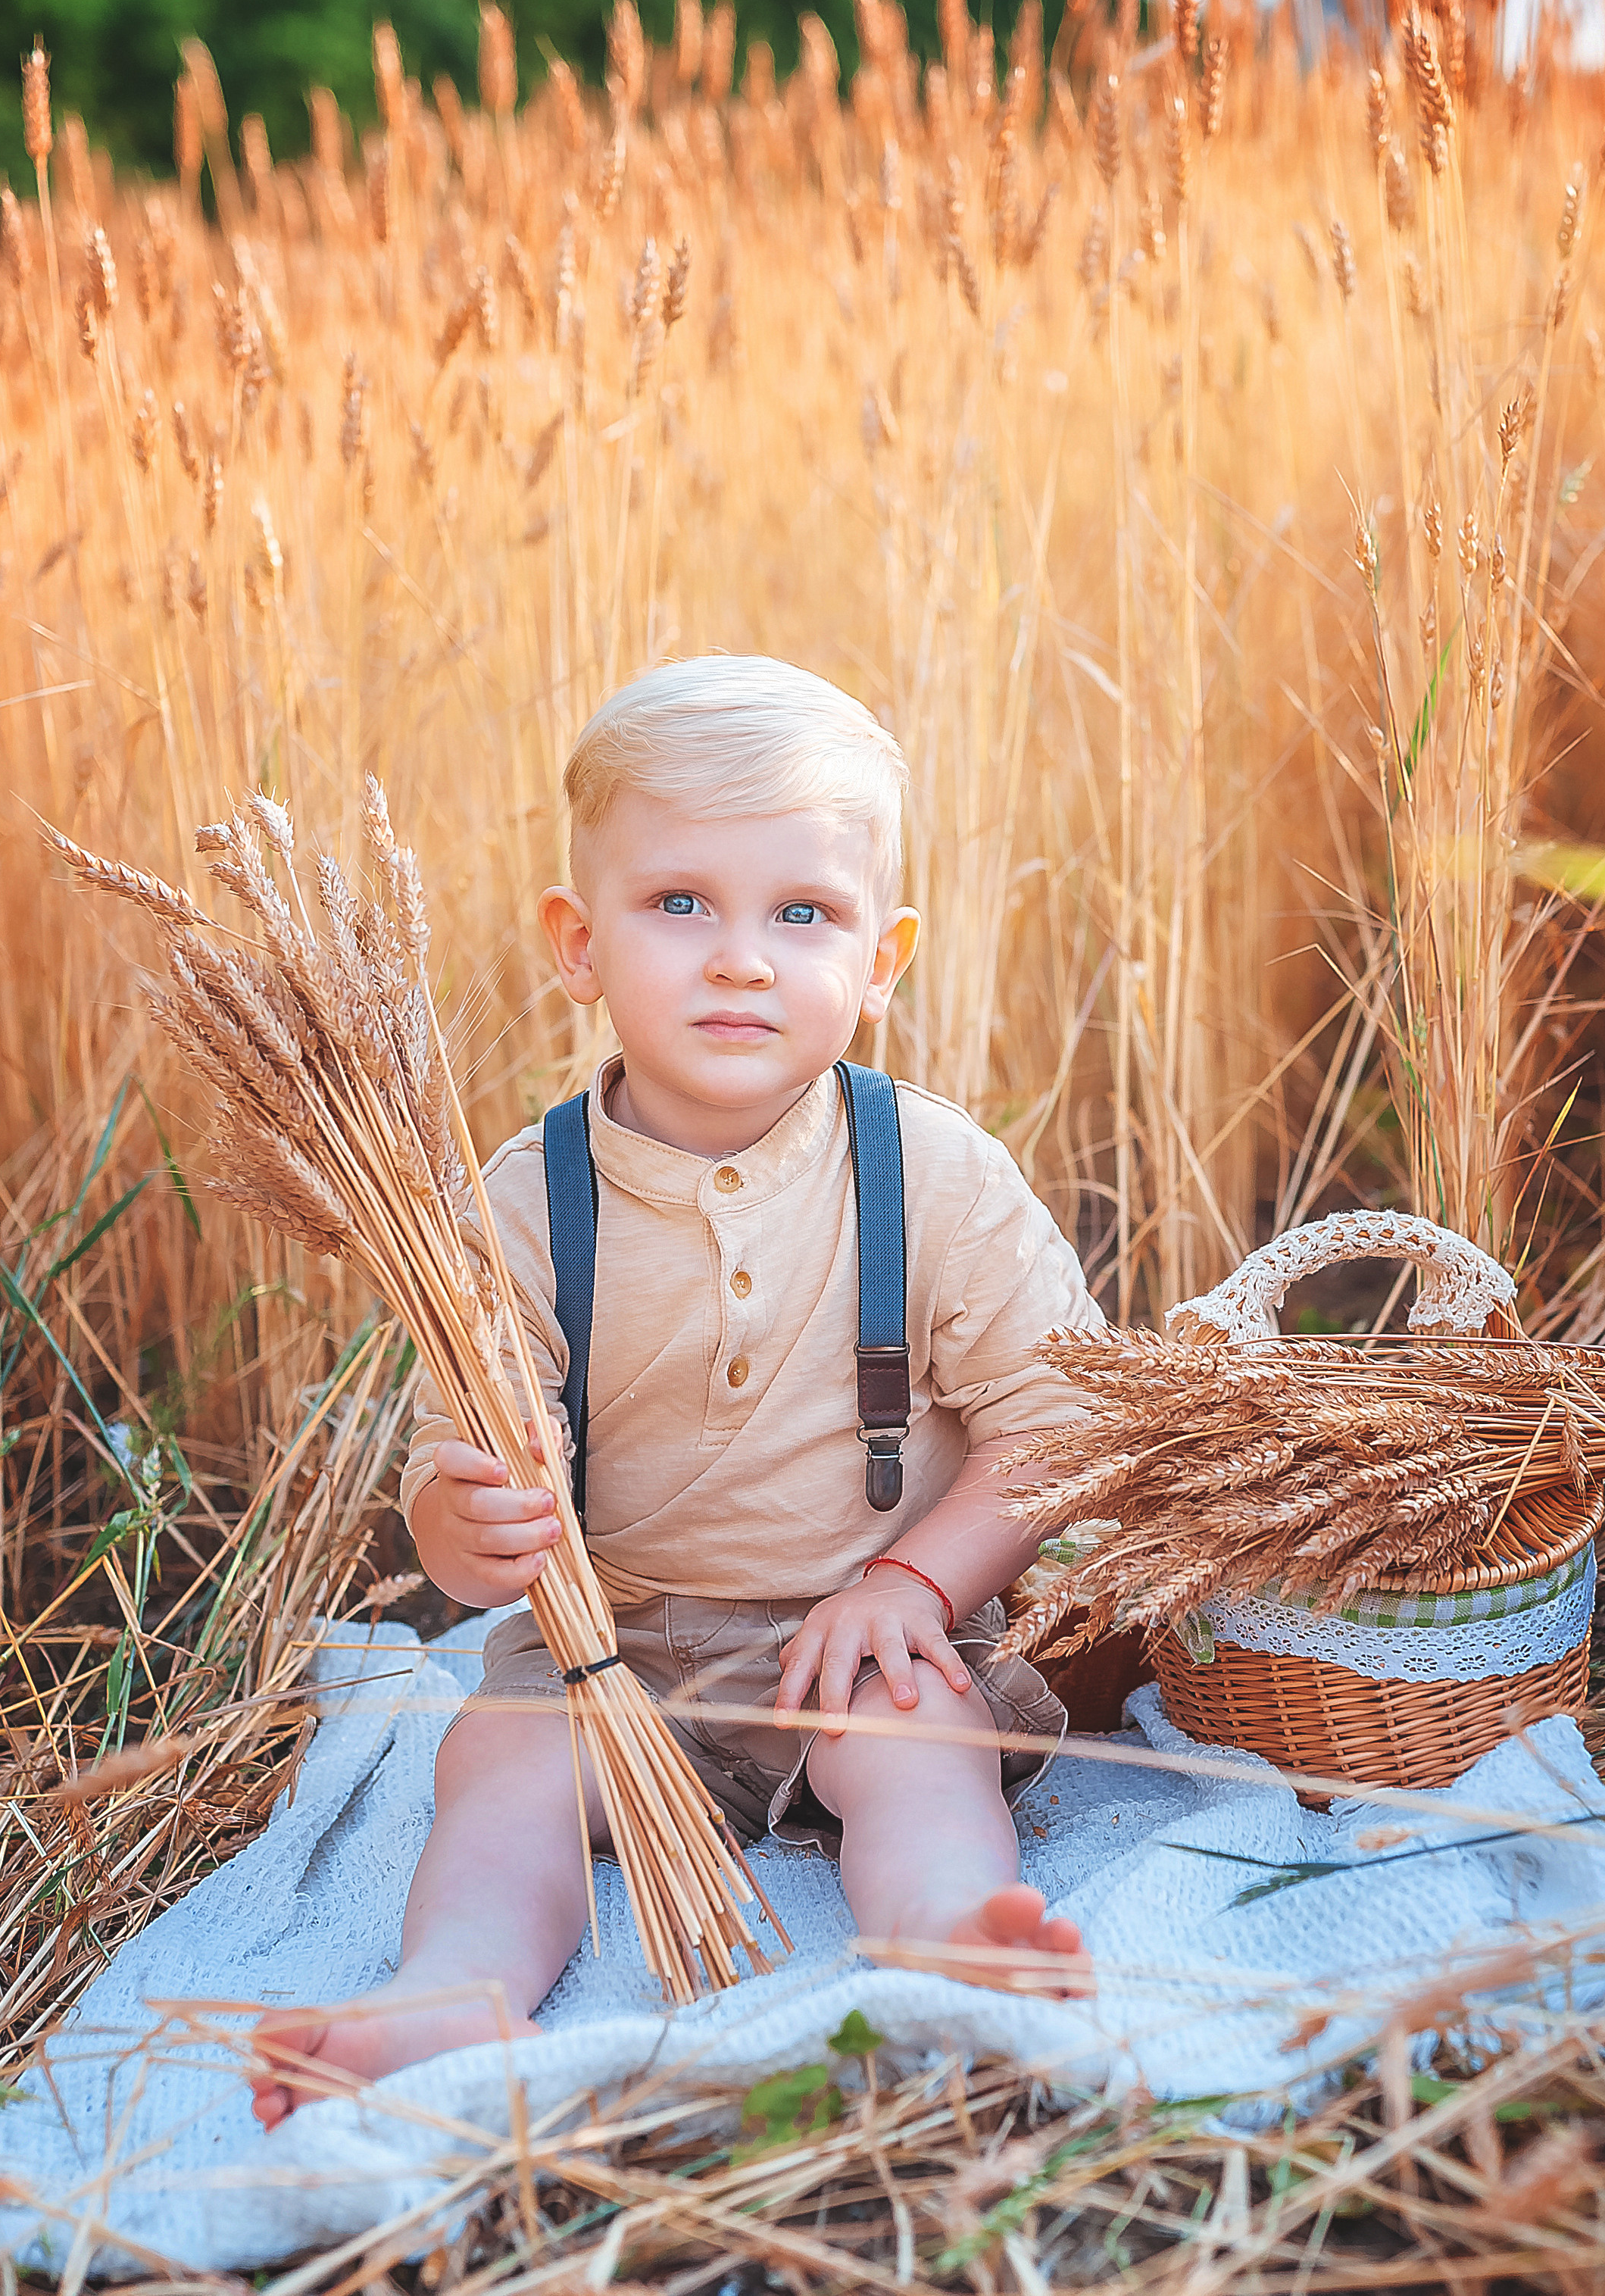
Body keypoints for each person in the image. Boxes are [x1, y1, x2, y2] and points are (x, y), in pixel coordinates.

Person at [251, 655, 1100, 2126]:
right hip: (609, 1652)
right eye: (679, 904)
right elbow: (455, 1470)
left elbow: (1062, 1423)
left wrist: (912, 1584)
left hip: (850, 1637)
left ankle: (947, 1935)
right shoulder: (521, 1203)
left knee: (914, 1751)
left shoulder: (930, 1171)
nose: (740, 959)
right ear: (578, 943)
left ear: (882, 958)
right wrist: (466, 1533)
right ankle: (454, 1986)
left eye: (802, 913)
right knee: (495, 1765)